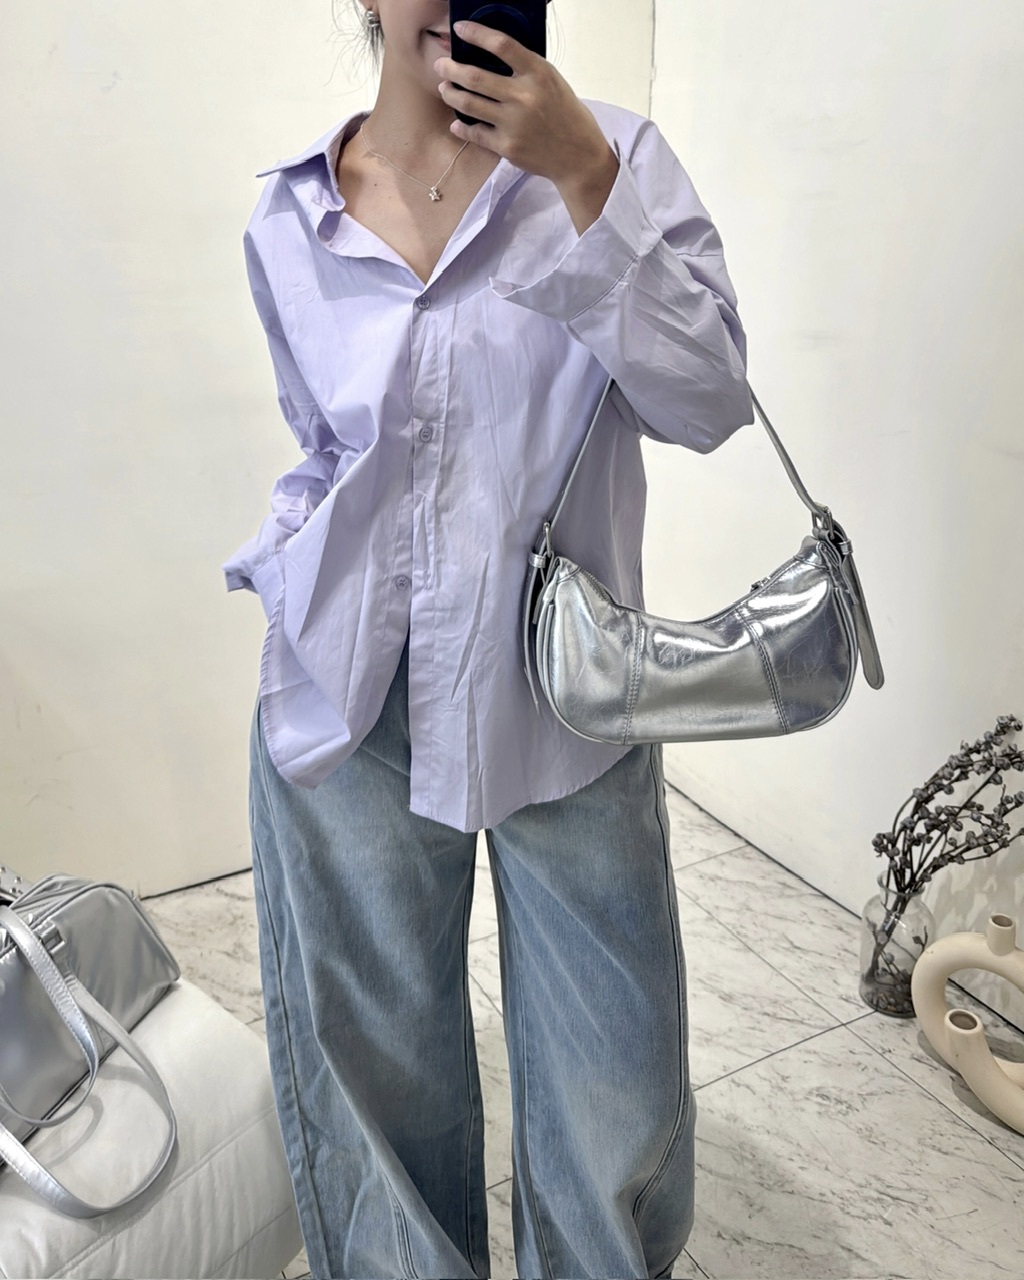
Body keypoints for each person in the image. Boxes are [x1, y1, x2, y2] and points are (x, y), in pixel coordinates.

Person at [223, 3, 752, 1276]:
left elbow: (708, 399)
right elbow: (326, 443)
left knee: (612, 1073)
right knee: (373, 1065)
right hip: (353, 689)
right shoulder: (292, 217)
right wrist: (287, 557)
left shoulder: (613, 159)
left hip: (567, 690)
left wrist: (584, 182)